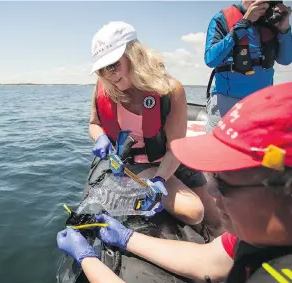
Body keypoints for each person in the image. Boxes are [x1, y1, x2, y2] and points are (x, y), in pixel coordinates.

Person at [57, 82, 292, 283]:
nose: (210, 190)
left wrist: (88, 260)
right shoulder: (260, 237)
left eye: (224, 184)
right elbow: (208, 260)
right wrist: (126, 238)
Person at [89, 21, 221, 229]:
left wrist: (161, 179)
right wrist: (100, 137)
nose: (109, 75)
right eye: (102, 69)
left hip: (171, 159)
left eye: (113, 65)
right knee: (194, 212)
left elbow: (176, 148)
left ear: (135, 55)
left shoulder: (172, 90)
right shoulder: (103, 88)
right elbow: (94, 124)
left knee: (217, 220)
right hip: (138, 163)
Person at [204, 0, 292, 132]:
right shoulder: (221, 18)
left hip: (262, 105)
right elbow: (210, 59)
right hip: (226, 105)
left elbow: (285, 60)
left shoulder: (271, 22)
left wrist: (284, 29)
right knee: (220, 152)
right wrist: (244, 24)